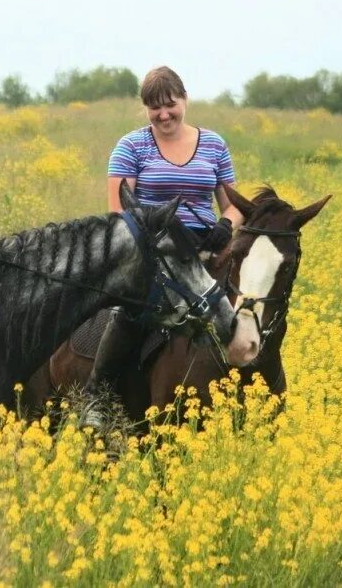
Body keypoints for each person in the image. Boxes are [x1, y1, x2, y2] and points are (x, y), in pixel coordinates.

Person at [83, 66, 243, 422]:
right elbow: (118, 211)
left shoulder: (214, 144)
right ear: (146, 109)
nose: (163, 114)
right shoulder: (131, 147)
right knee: (133, 308)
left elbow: (232, 204)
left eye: (170, 104)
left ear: (185, 100)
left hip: (207, 245)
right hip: (154, 251)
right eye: (154, 107)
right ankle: (97, 394)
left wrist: (224, 225)